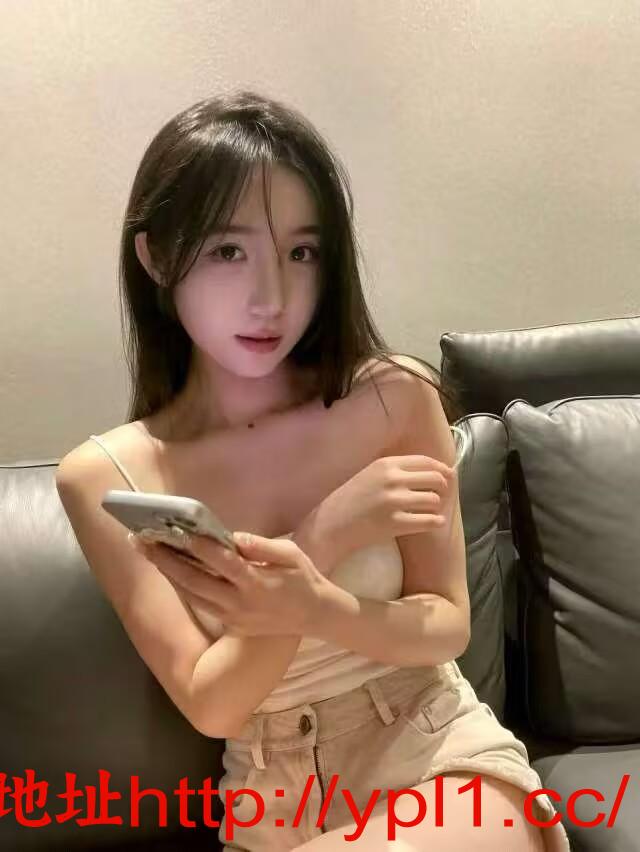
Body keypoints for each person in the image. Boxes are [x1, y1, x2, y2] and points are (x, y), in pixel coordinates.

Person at [55, 90, 571, 851]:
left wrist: (314, 604)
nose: (271, 299)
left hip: (437, 759)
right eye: (228, 251)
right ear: (157, 257)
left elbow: (446, 625)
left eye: (301, 253)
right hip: (273, 803)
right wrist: (321, 538)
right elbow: (214, 706)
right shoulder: (106, 475)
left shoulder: (394, 398)